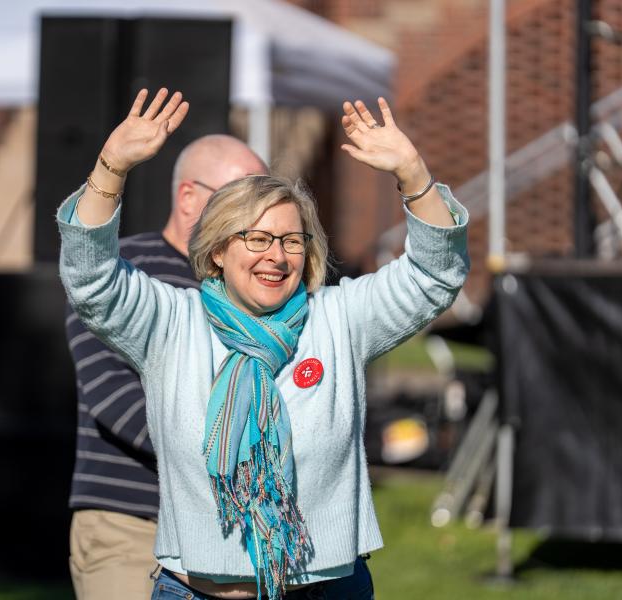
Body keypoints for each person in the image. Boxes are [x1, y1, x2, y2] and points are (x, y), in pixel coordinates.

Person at [58, 88, 469, 599]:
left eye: (291, 240)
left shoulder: (338, 318)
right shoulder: (171, 321)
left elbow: (435, 275)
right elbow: (89, 278)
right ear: (217, 253)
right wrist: (111, 168)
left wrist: (412, 173)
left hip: (325, 588)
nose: (275, 255)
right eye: (255, 238)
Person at [65, 134, 267, 599]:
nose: (258, 213)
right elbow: (114, 397)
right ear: (189, 197)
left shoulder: (257, 286)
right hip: (132, 522)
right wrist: (235, 454)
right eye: (240, 196)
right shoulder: (124, 270)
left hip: (234, 529)